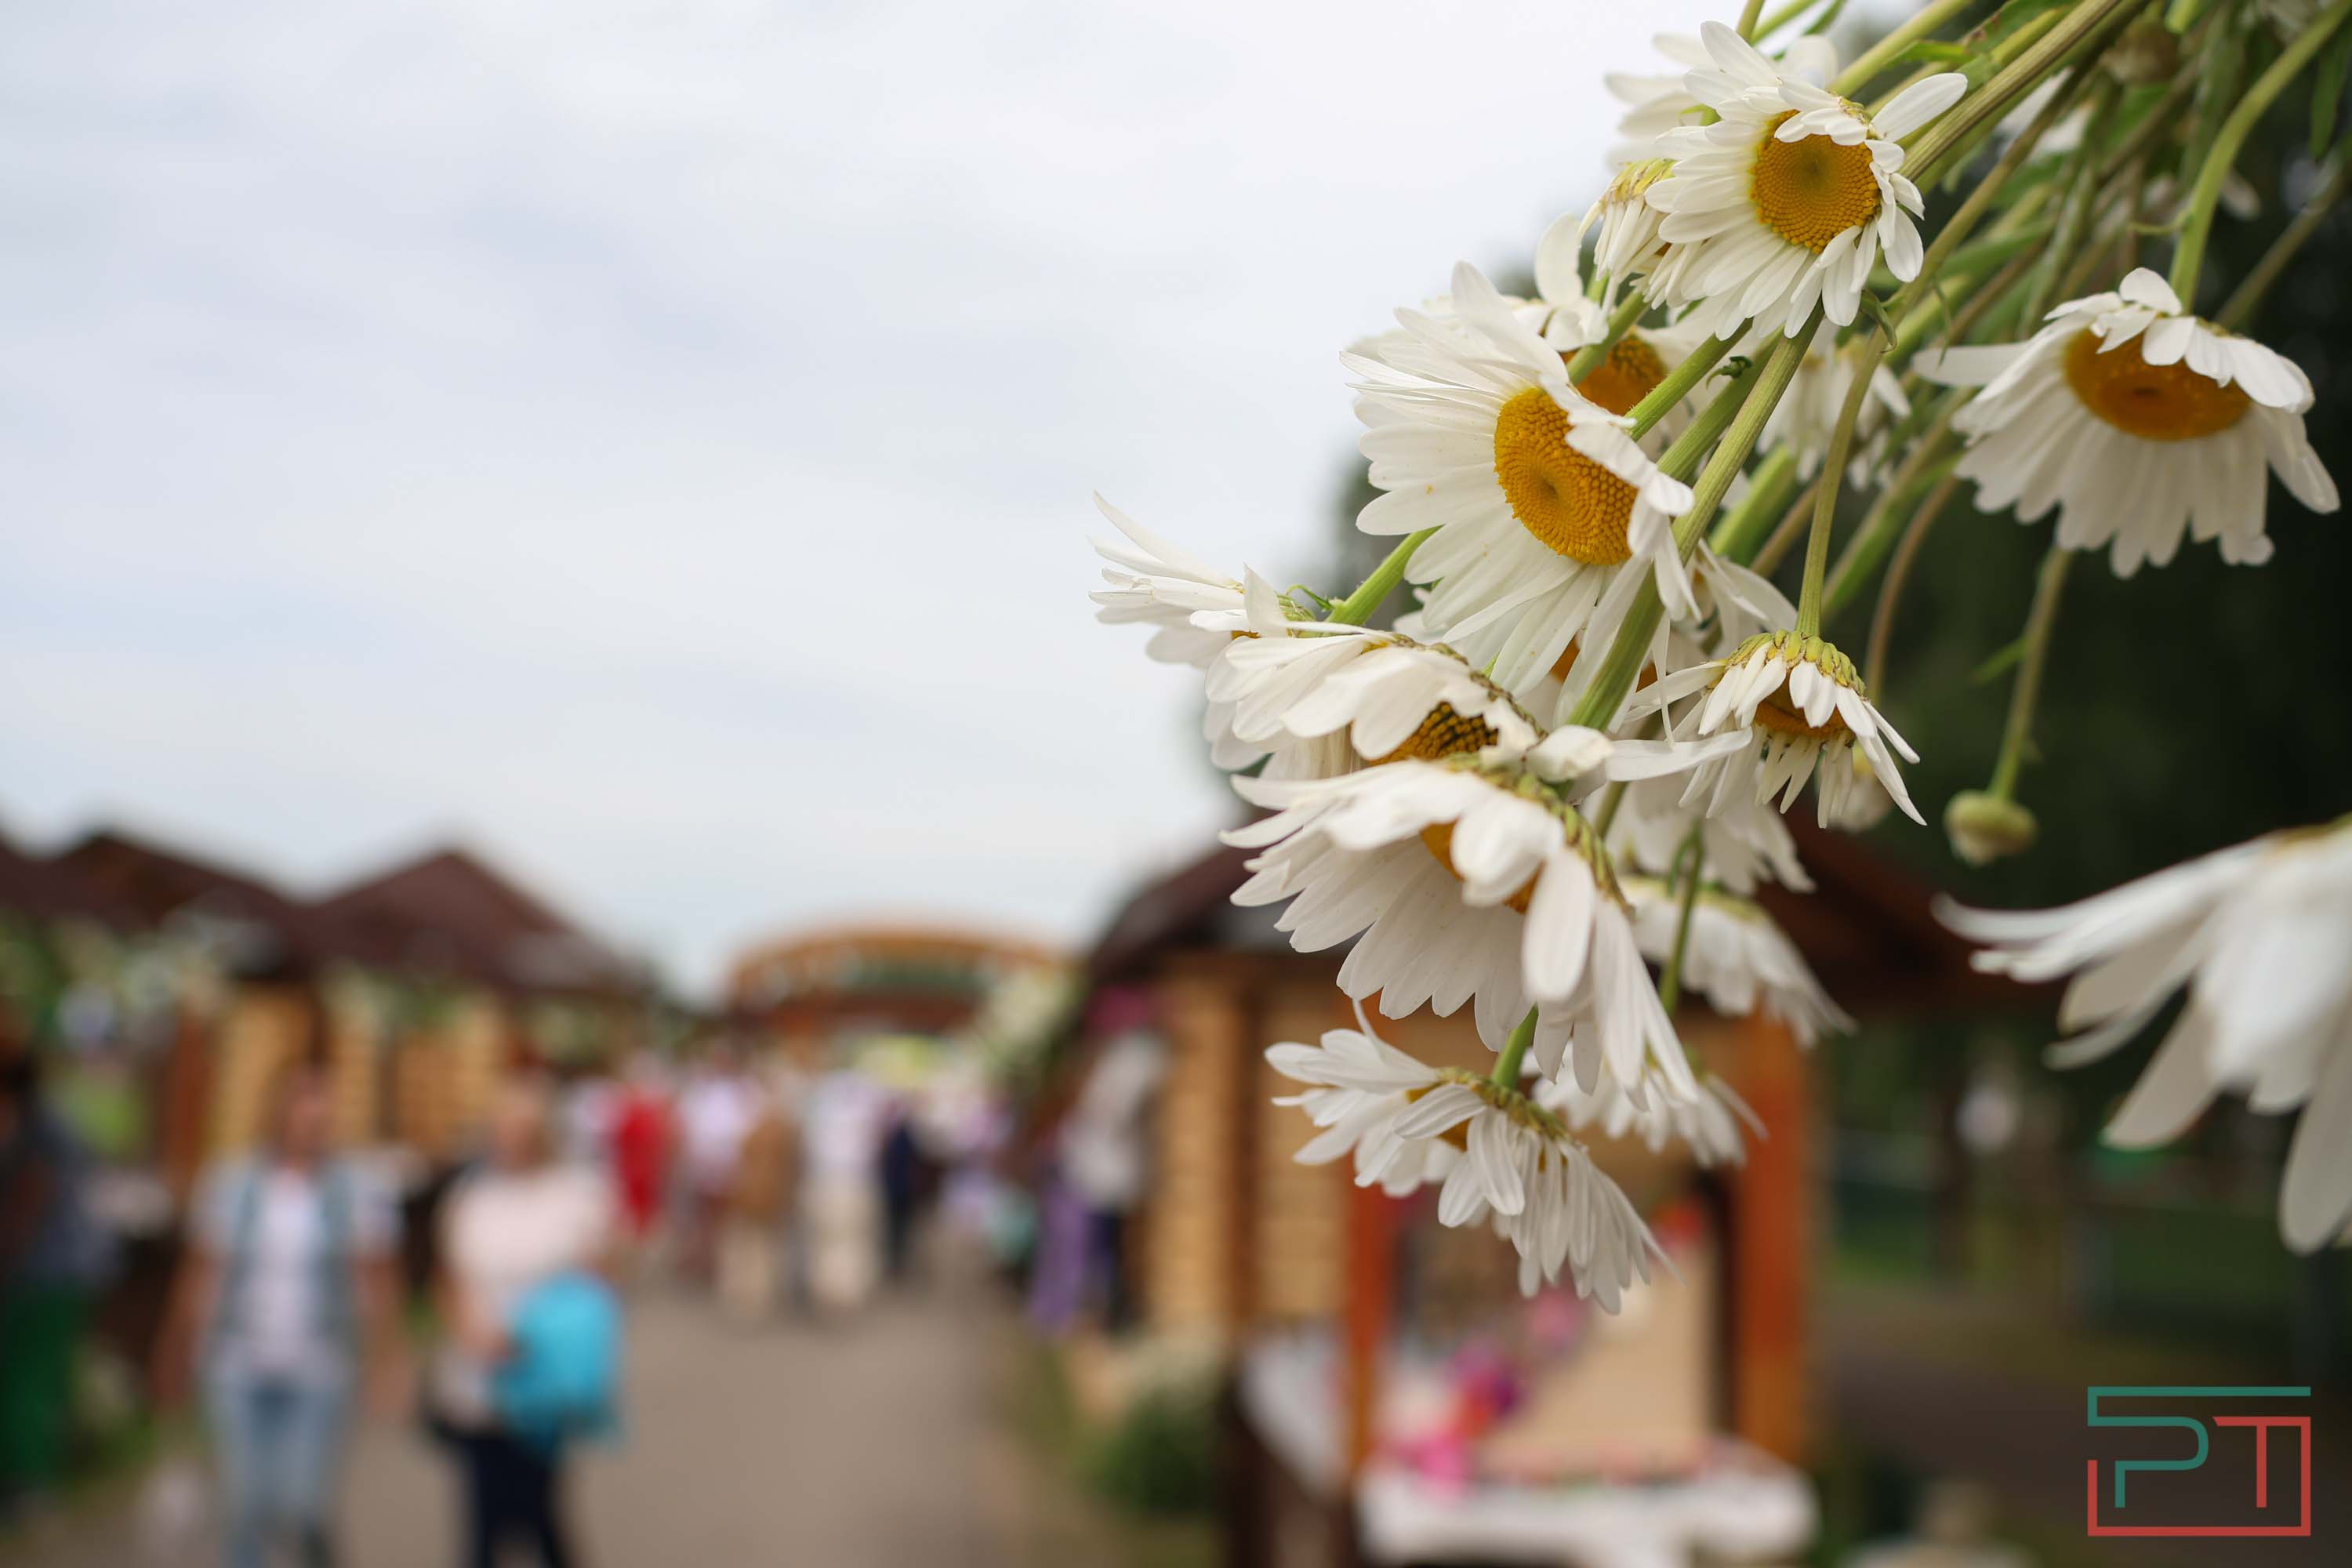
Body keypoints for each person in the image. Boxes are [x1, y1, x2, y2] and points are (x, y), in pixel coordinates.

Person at [162, 1059, 401, 1568]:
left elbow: (378, 1281)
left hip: (319, 1365)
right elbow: (200, 1273)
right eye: (301, 1106)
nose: (311, 1120)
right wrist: (175, 1351)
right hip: (238, 1362)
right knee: (245, 1503)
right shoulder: (232, 1182)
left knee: (304, 1503)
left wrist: (386, 1360)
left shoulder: (356, 1188)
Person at [432, 1073, 614, 1568]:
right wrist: (471, 1328)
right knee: (483, 1516)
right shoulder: (471, 1197)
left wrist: (544, 1332)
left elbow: (596, 1283)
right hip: (478, 1377)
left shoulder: (572, 1194)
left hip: (543, 1380)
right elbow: (449, 1277)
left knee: (539, 1509)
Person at [0, 1049, 103, 1521]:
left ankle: (30, 1487)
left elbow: (28, 1203)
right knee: (37, 1376)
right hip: (57, 1271)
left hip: (47, 1273)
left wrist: (9, 1256)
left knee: (27, 1379)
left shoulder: (38, 1128)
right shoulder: (46, 1122)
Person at [714, 1078, 796, 1323]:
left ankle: (750, 1299)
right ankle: (751, 1298)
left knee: (752, 1249)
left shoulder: (759, 1128)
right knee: (753, 1249)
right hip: (756, 1197)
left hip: (755, 1197)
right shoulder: (777, 1127)